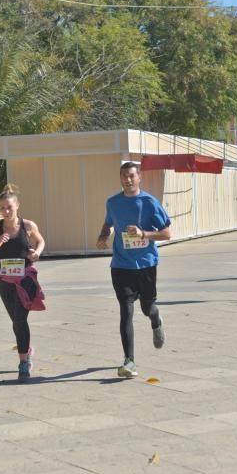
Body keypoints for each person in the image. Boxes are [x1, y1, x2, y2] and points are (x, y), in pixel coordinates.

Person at [96, 161, 171, 378]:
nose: (127, 180)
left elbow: (167, 233)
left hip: (146, 264)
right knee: (125, 311)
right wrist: (103, 236)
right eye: (123, 176)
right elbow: (108, 223)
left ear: (139, 177)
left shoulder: (149, 202)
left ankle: (156, 320)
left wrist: (144, 234)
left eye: (131, 176)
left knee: (148, 308)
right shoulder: (113, 202)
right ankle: (129, 361)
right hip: (121, 265)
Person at [0, 184, 45, 382]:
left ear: (17, 206)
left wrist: (37, 253)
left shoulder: (28, 226)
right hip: (6, 282)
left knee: (20, 320)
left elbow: (40, 241)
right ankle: (27, 348)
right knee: (15, 322)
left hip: (26, 281)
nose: (6, 211)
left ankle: (23, 363)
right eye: (2, 208)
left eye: (9, 207)